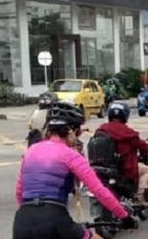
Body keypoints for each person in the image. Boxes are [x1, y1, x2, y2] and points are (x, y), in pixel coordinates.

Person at [13, 102, 135, 239]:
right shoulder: (70, 155)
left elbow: (19, 191)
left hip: (22, 222)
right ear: (71, 131)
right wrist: (124, 217)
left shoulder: (31, 151)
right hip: (54, 219)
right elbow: (99, 190)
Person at [96, 101, 148, 203]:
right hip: (124, 168)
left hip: (102, 167)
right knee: (145, 170)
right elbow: (141, 145)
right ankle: (139, 198)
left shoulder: (101, 130)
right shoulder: (127, 132)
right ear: (125, 116)